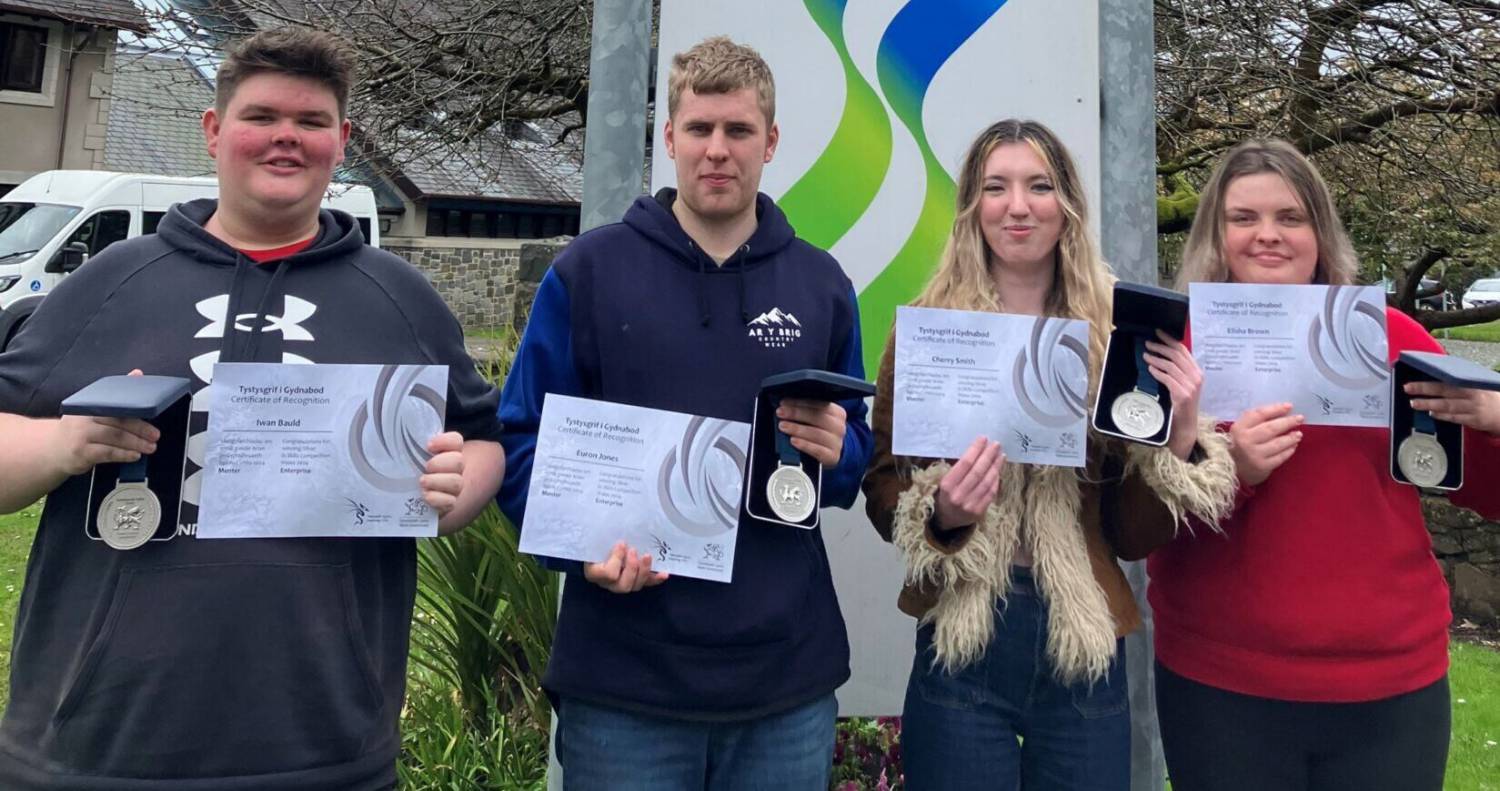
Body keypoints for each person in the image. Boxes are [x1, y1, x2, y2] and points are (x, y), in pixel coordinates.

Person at [0, 27, 505, 790]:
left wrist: (456, 488)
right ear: (214, 131)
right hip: (99, 745)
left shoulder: (401, 299)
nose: (285, 139)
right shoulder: (111, 279)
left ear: (342, 143)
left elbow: (483, 440)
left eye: (311, 123)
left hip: (327, 745)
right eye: (261, 116)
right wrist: (66, 445)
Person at [496, 36, 872, 790]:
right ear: (669, 138)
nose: (717, 150)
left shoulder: (821, 284)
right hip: (625, 684)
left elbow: (850, 457)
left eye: (738, 131)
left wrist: (843, 451)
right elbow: (519, 443)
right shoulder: (589, 272)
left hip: (782, 684)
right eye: (699, 129)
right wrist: (581, 550)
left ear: (771, 141)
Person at [861, 119, 1237, 790]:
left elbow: (1131, 532)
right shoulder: (926, 328)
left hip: (1084, 634)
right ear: (972, 208)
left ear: (1067, 205)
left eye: (1039, 185)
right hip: (965, 636)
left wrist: (1176, 442)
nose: (1018, 205)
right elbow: (884, 484)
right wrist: (943, 515)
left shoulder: (1120, 335)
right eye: (996, 187)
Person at [1149, 139, 1500, 791]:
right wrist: (1232, 472)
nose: (1268, 235)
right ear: (1214, 234)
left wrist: (1490, 421)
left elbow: (1483, 489)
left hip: (1390, 687)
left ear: (1320, 230)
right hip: (1222, 686)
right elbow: (1138, 524)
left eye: (1290, 217)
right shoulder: (1176, 352)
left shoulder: (1391, 337)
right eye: (1243, 218)